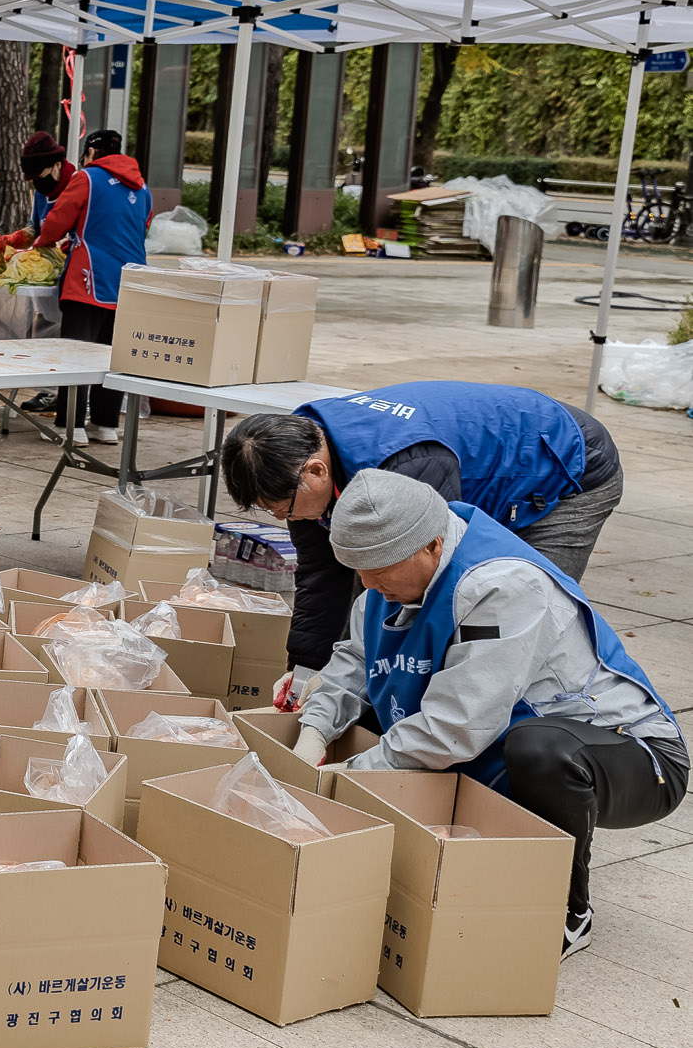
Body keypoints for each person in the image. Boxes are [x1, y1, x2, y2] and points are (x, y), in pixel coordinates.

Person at [293, 471, 683, 953]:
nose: (369, 584)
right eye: (360, 571)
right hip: (496, 733)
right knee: (373, 717)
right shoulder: (389, 572)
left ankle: (566, 908)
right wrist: (312, 735)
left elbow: (456, 725)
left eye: (381, 570)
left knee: (538, 750)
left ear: (432, 546)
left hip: (629, 756)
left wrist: (344, 778)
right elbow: (355, 659)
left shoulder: (502, 584)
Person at [221, 381, 625, 704]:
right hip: (489, 457)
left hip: (566, 470)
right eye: (271, 513)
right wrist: (308, 666)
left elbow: (434, 579)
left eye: (285, 509)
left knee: (514, 611)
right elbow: (322, 572)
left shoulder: (407, 469)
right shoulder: (291, 457)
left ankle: (528, 722)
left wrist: (371, 685)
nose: (286, 520)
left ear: (315, 469)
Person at [0, 128, 149, 442]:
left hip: (89, 276)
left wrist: (44, 243)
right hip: (130, 279)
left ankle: (70, 425)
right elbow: (143, 223)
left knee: (76, 354)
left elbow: (55, 223)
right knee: (110, 355)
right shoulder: (141, 187)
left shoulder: (87, 178)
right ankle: (105, 425)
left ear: (91, 153)